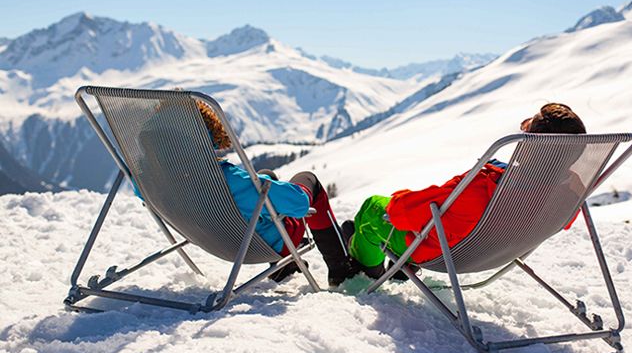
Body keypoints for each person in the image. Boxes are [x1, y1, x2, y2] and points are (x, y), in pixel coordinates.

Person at [342, 103, 587, 281]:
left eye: (525, 131)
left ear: (529, 146)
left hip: (444, 254)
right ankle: (395, 263)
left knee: (373, 208)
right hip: (499, 253)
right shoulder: (569, 192)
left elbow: (402, 213)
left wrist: (399, 198)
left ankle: (364, 273)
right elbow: (563, 222)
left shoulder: (484, 185)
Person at [136, 99, 355, 286]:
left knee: (265, 177)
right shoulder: (224, 180)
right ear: (201, 135)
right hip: (259, 245)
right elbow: (299, 204)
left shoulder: (147, 180)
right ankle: (341, 269)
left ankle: (284, 268)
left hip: (207, 238)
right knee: (308, 181)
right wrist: (290, 190)